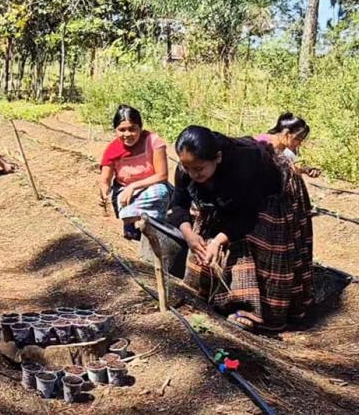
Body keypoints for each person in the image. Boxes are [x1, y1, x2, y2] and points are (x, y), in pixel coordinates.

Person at [168, 125, 314, 333]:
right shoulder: (188, 167)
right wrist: (190, 235)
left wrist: (218, 241)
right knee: (205, 242)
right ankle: (212, 294)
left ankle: (250, 309)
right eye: (187, 168)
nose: (192, 174)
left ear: (217, 158)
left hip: (268, 193)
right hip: (229, 197)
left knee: (252, 245)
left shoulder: (243, 166)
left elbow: (245, 217)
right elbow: (178, 204)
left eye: (199, 169)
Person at [98, 105, 171, 240]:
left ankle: (154, 226)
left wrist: (133, 186)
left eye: (132, 129)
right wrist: (104, 192)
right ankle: (131, 224)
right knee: (124, 201)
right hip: (124, 190)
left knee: (160, 192)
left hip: (152, 185)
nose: (127, 134)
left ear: (140, 128)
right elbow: (105, 179)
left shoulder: (153, 141)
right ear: (115, 130)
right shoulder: (112, 150)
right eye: (122, 130)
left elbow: (162, 175)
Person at [255, 112, 321, 178]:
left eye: (301, 140)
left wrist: (305, 170)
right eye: (298, 139)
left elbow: (292, 168)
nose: (299, 143)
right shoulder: (262, 143)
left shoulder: (286, 152)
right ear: (286, 133)